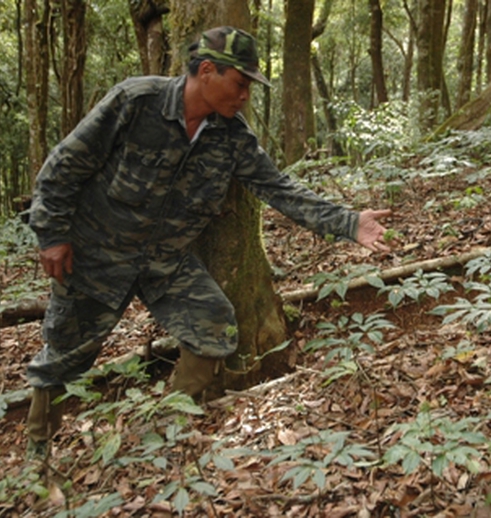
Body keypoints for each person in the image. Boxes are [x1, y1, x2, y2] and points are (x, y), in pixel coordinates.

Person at [25, 26, 391, 457]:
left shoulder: (232, 136)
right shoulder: (136, 101)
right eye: (240, 84)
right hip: (95, 254)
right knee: (64, 357)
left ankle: (168, 431)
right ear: (206, 71)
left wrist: (348, 222)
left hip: (165, 261)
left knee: (214, 322)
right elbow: (63, 167)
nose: (245, 96)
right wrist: (52, 234)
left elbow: (279, 188)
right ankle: (38, 454)